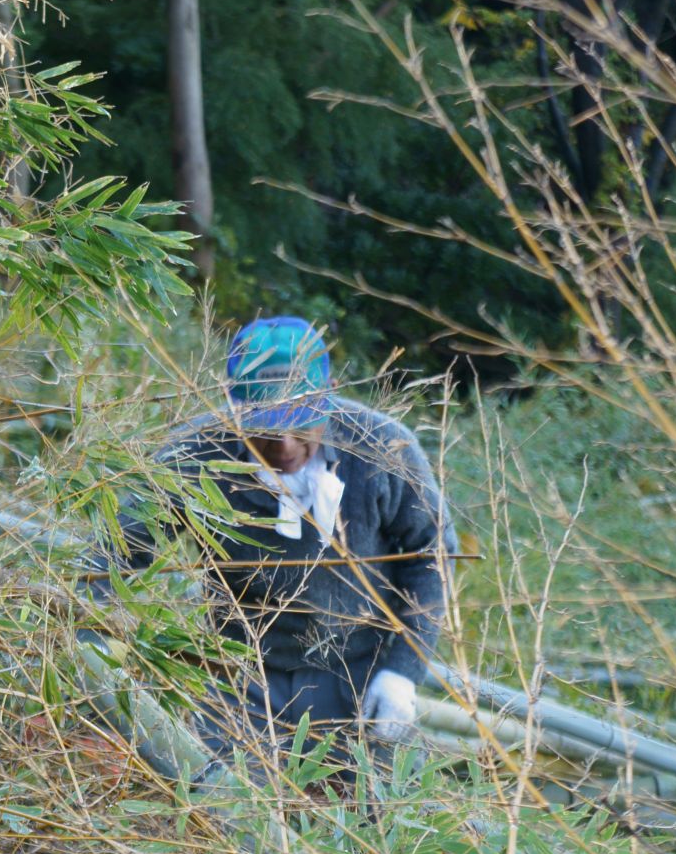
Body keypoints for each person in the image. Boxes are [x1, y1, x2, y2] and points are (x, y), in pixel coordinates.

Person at [99, 317, 455, 759]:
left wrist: (403, 670)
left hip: (359, 671)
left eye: (300, 423)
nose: (284, 445)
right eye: (264, 426)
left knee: (366, 797)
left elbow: (432, 555)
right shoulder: (195, 453)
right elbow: (117, 550)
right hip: (239, 675)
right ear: (233, 405)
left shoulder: (382, 448)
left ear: (329, 396)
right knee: (221, 795)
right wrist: (86, 638)